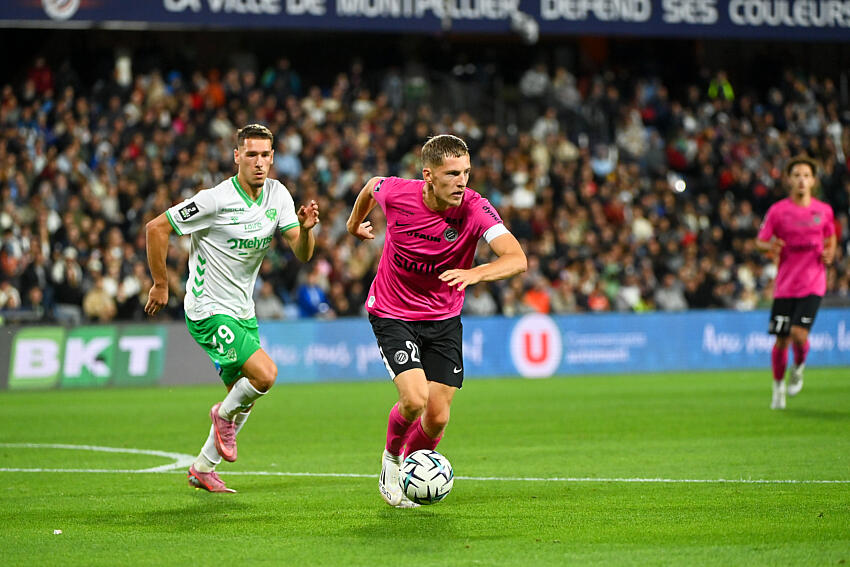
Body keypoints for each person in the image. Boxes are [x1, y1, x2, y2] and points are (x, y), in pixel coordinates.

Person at [346, 134, 527, 508]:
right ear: (428, 175)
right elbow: (370, 186)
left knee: (438, 416)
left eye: (466, 172)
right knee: (414, 399)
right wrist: (354, 225)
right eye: (452, 173)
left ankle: (416, 469)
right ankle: (392, 463)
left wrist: (475, 274)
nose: (462, 181)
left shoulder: (476, 208)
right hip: (393, 311)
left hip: (443, 317)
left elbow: (516, 258)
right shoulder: (397, 193)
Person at [145, 124, 319, 492]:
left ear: (273, 157)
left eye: (265, 155)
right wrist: (161, 284)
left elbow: (302, 254)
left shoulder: (277, 195)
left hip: (242, 310)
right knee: (265, 375)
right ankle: (220, 416)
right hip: (208, 309)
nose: (259, 162)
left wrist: (305, 230)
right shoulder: (215, 199)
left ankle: (203, 468)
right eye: (251, 154)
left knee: (245, 394)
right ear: (237, 156)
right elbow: (156, 229)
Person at [756, 155, 836, 410]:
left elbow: (831, 237)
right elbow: (760, 242)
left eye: (806, 175)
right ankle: (778, 387)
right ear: (789, 180)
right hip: (785, 285)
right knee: (781, 340)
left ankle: (799, 367)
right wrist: (770, 246)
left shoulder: (823, 211)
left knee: (798, 334)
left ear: (813, 181)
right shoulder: (778, 211)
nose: (801, 179)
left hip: (813, 283)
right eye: (796, 175)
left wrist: (831, 252)